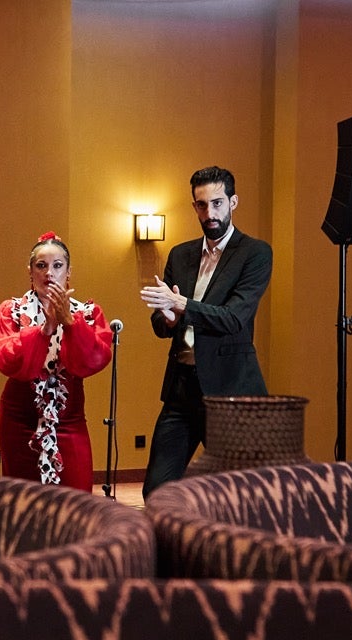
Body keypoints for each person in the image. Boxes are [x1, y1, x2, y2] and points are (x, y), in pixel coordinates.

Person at [139, 165, 272, 496]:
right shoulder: (180, 254)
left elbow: (232, 318)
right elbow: (161, 322)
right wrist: (168, 317)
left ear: (233, 202)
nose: (209, 213)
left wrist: (181, 304)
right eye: (201, 205)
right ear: (194, 206)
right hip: (182, 389)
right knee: (156, 491)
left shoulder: (255, 253)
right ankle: (173, 550)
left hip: (230, 391)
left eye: (217, 203)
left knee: (240, 495)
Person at [0, 231, 114, 491]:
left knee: (75, 500)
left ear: (68, 272)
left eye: (57, 266)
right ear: (30, 271)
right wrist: (44, 330)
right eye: (41, 266)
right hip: (19, 419)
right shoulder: (12, 310)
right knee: (24, 501)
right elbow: (6, 359)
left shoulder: (87, 313)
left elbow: (93, 360)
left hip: (69, 421)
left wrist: (69, 323)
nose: (49, 273)